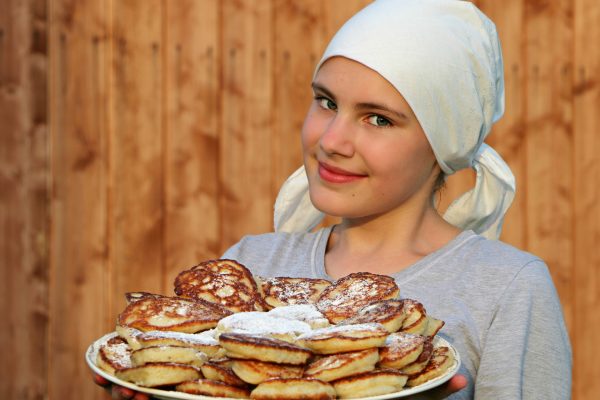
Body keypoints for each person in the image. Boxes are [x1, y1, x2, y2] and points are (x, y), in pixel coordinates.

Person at [96, 0, 571, 398]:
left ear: (442, 142)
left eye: (378, 119)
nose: (332, 140)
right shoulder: (248, 265)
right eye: (326, 102)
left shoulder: (507, 288)